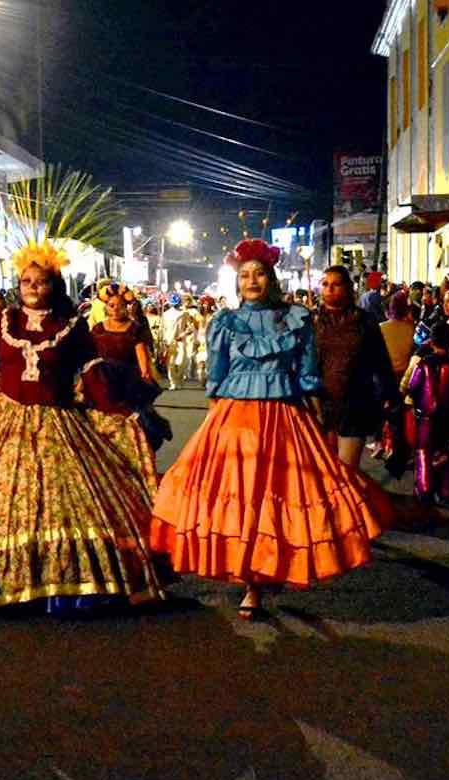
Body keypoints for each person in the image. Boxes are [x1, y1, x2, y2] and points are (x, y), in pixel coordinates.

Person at [0, 240, 163, 612]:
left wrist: (116, 411)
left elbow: (92, 376)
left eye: (40, 282)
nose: (32, 288)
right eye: (26, 281)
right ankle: (6, 584)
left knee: (65, 506)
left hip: (59, 424)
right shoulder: (5, 320)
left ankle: (64, 584)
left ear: (54, 285)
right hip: (6, 423)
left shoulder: (72, 326)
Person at [149, 240, 388, 620]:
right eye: (244, 275)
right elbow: (217, 375)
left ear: (271, 278)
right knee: (239, 499)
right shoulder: (225, 322)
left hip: (283, 415)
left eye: (259, 273)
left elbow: (307, 372)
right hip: (235, 419)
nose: (251, 281)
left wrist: (314, 411)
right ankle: (250, 581)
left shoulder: (296, 318)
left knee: (280, 499)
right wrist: (213, 421)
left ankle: (265, 574)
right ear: (237, 282)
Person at [313, 265, 397, 467]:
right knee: (324, 471)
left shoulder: (363, 320)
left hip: (354, 404)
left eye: (336, 284)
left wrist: (389, 395)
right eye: (325, 284)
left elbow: (380, 360)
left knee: (347, 472)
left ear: (347, 288)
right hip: (320, 405)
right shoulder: (312, 321)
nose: (329, 289)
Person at [91, 283, 172, 451]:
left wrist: (145, 377)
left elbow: (142, 357)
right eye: (111, 305)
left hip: (127, 382)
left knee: (135, 423)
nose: (115, 309)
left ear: (126, 307)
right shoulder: (98, 329)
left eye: (120, 305)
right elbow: (90, 358)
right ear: (106, 307)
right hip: (102, 381)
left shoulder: (134, 329)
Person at [404, 322, 449, 505]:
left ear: (431, 341)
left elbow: (412, 387)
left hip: (427, 418)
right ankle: (447, 492)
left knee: (424, 453)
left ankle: (424, 490)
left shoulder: (424, 364)